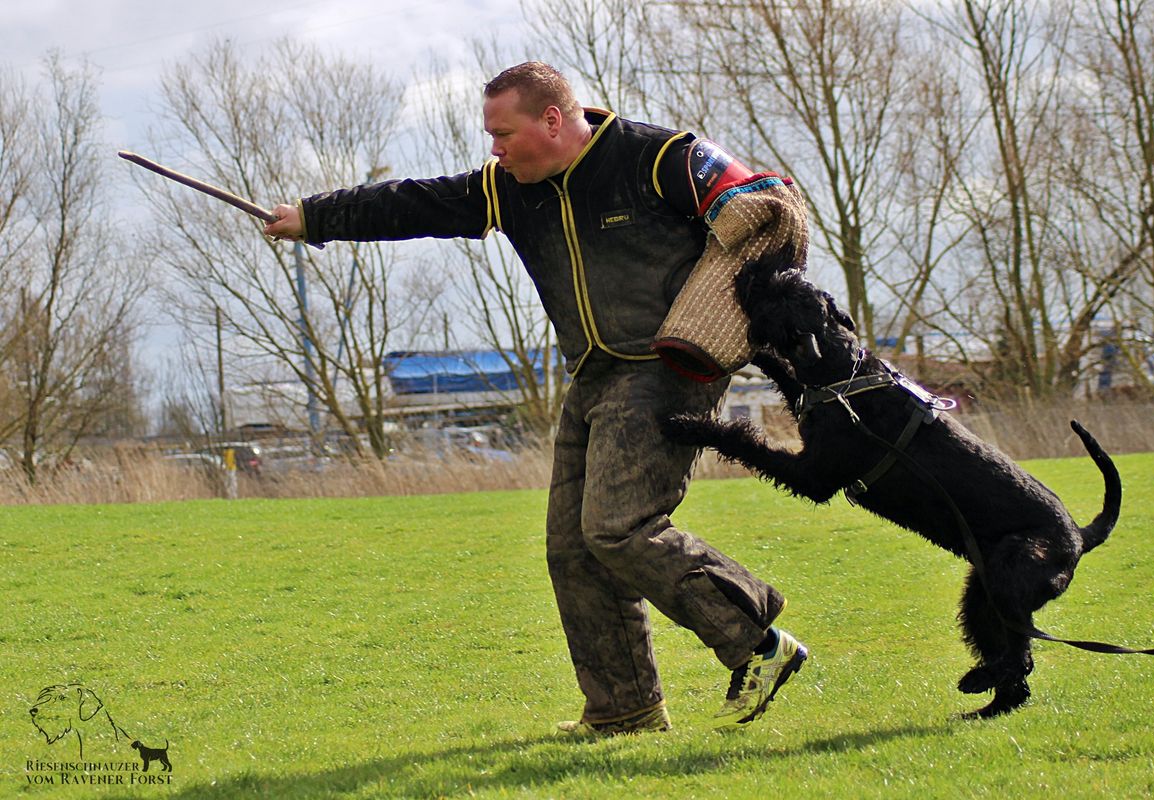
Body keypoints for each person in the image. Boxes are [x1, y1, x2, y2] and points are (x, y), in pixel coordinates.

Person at [264, 61, 809, 736]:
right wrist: (314, 218)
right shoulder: (509, 189)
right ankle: (625, 710)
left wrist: (750, 312)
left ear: (552, 120)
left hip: (668, 370)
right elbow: (412, 203)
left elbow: (767, 204)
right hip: (593, 373)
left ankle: (758, 643)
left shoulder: (660, 156)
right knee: (572, 550)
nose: (493, 148)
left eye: (503, 133)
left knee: (619, 528)